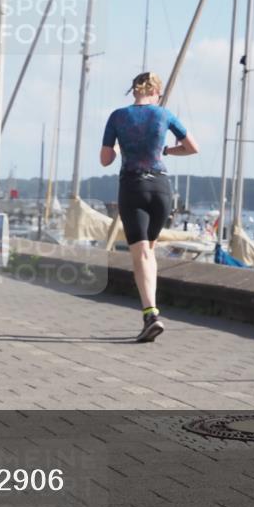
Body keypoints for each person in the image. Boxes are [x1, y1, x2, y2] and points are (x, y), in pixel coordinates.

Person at [100, 72, 199, 343]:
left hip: (133, 188)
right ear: (156, 92)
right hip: (161, 190)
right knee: (149, 251)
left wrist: (120, 147)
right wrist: (166, 151)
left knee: (141, 253)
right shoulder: (164, 115)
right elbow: (192, 147)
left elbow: (105, 159)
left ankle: (151, 315)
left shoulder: (118, 116)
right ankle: (152, 312)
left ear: (134, 91)